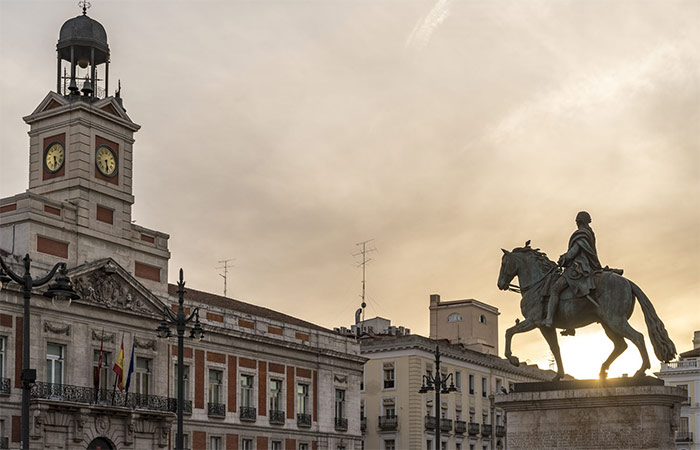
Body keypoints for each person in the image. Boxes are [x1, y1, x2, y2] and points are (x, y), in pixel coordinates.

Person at [543, 211, 602, 327]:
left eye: (577, 221)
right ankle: (568, 324)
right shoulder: (590, 233)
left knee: (555, 289)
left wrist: (564, 258)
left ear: (579, 221)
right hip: (585, 265)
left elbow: (574, 252)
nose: (576, 223)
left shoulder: (581, 234)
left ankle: (549, 319)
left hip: (578, 268)